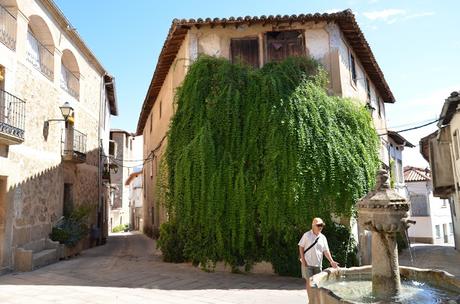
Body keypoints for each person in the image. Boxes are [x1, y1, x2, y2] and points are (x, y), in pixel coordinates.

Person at [298, 217, 339, 302]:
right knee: (309, 283)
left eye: (322, 225)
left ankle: (317, 301)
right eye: (318, 225)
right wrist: (303, 259)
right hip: (307, 264)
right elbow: (301, 246)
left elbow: (326, 251)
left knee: (318, 284)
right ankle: (311, 301)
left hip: (318, 265)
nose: (320, 227)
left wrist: (331, 261)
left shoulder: (323, 237)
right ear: (313, 225)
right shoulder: (307, 235)